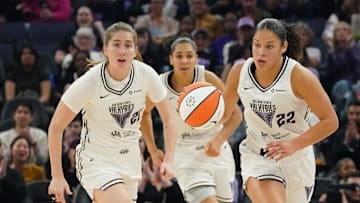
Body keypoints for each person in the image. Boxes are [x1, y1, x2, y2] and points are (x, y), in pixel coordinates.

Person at [47, 21, 177, 203]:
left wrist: (167, 157)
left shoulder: (146, 75)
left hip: (130, 160)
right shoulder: (90, 81)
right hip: (96, 161)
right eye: (116, 44)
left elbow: (169, 118)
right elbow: (55, 127)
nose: (122, 51)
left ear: (135, 50)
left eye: (128, 45)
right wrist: (57, 176)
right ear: (106, 50)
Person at [221, 18, 339, 203]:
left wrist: (293, 145)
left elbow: (330, 121)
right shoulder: (239, 72)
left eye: (269, 46)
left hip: (297, 158)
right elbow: (222, 114)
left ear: (283, 47)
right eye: (257, 45)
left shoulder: (299, 76)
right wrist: (194, 104)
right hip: (258, 156)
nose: (261, 52)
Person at [143, 37, 242, 203]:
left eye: (189, 56)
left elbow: (236, 115)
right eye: (179, 56)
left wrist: (219, 139)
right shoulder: (160, 84)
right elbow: (143, 113)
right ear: (171, 59)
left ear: (196, 58)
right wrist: (153, 149)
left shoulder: (208, 78)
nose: (184, 61)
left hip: (216, 151)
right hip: (184, 153)